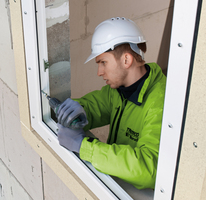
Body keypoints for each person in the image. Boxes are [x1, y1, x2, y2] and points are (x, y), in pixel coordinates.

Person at [56, 17, 166, 189]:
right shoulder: (119, 90)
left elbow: (149, 168)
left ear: (126, 60)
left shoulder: (160, 103)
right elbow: (96, 105)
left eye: (103, 63)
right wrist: (78, 110)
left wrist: (85, 147)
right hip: (117, 183)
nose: (99, 72)